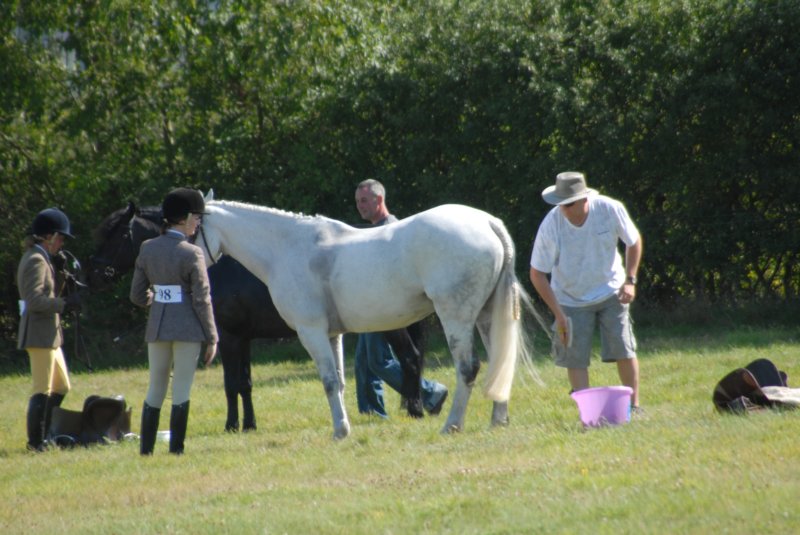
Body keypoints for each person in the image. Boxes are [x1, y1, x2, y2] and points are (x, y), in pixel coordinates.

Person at [529, 172, 643, 411]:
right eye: (560, 204)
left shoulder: (609, 209)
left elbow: (633, 241)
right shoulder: (551, 224)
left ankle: (634, 407)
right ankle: (587, 412)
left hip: (612, 291)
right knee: (575, 357)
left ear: (584, 199)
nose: (564, 210)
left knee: (624, 348)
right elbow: (537, 274)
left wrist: (630, 280)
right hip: (570, 300)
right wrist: (559, 314)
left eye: (569, 204)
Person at [130, 188, 218, 455]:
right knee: (181, 388)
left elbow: (136, 295)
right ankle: (176, 450)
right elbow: (202, 300)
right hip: (187, 329)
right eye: (197, 217)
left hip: (157, 326)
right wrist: (212, 336)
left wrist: (156, 300)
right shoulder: (192, 253)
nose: (198, 222)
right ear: (186, 218)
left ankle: (146, 450)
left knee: (155, 385)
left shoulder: (147, 248)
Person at [353, 179, 448, 417]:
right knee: (363, 361)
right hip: (371, 303)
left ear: (379, 199)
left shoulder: (392, 230)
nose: (360, 206)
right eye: (357, 202)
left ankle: (430, 392)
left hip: (387, 305)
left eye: (364, 201)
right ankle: (372, 413)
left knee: (378, 361)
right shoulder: (374, 230)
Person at [17, 208, 81, 451]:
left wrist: (61, 273)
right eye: (61, 238)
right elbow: (34, 301)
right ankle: (36, 442)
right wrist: (64, 304)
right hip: (39, 333)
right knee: (41, 389)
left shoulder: (42, 258)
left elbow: (49, 291)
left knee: (62, 385)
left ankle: (46, 433)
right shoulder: (35, 259)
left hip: (49, 334)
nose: (62, 243)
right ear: (49, 236)